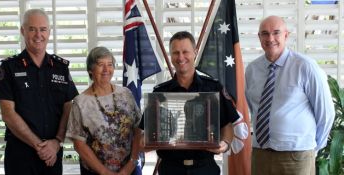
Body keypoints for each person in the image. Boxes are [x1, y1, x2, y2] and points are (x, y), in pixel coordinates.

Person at [0, 9, 78, 175]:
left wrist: (57, 141)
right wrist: (39, 146)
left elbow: (69, 108)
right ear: (23, 31)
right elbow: (8, 114)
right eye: (32, 29)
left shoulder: (61, 68)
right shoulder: (9, 68)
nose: (38, 35)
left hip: (53, 154)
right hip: (20, 155)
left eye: (43, 29)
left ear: (49, 32)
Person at [245, 15, 335, 175]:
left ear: (286, 35)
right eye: (264, 33)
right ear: (259, 37)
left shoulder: (305, 67)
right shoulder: (252, 70)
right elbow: (254, 110)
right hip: (261, 154)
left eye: (276, 33)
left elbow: (326, 113)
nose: (270, 38)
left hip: (296, 157)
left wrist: (311, 148)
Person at [140, 31, 239, 175]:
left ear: (195, 53)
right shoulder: (159, 94)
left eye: (185, 52)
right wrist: (148, 142)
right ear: (171, 56)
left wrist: (224, 145)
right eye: (175, 53)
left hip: (205, 168)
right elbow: (144, 135)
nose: (180, 57)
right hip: (170, 169)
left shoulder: (213, 88)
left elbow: (227, 126)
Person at [66, 46, 142, 175]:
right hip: (95, 172)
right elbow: (79, 144)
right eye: (101, 65)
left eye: (110, 64)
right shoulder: (80, 102)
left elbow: (138, 130)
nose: (106, 70)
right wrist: (104, 172)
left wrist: (130, 165)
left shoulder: (126, 94)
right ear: (90, 70)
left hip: (129, 170)